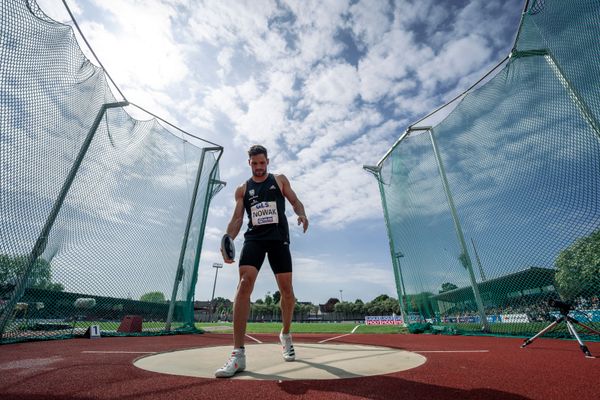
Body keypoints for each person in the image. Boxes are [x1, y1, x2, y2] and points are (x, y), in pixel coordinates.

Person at [215, 144, 309, 378]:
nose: (258, 167)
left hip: (278, 239)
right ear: (249, 163)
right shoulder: (243, 189)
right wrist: (228, 240)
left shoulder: (279, 180)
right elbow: (237, 218)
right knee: (244, 284)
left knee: (287, 292)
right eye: (254, 163)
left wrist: (301, 213)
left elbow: (295, 201)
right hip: (254, 239)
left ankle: (285, 334)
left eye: (262, 163)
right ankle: (238, 355)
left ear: (267, 161)